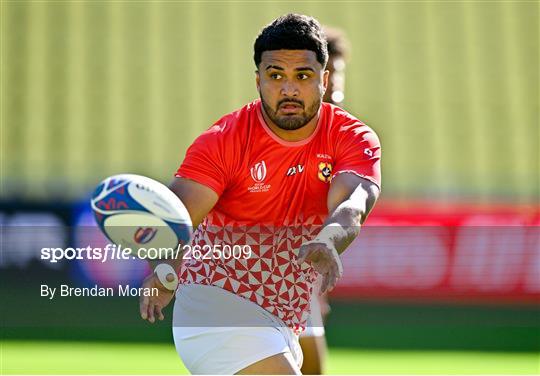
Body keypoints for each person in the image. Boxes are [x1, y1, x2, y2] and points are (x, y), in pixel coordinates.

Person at [138, 14, 381, 375]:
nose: (289, 89)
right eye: (275, 75)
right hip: (214, 308)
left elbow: (351, 205)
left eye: (303, 76)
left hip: (282, 321)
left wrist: (329, 239)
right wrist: (165, 266)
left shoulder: (353, 137)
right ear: (258, 80)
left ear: (324, 80)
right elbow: (176, 218)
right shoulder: (224, 140)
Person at [299, 25, 350, 375]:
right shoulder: (283, 132)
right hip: (263, 274)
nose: (337, 86)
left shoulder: (340, 136)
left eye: (339, 75)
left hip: (298, 273)